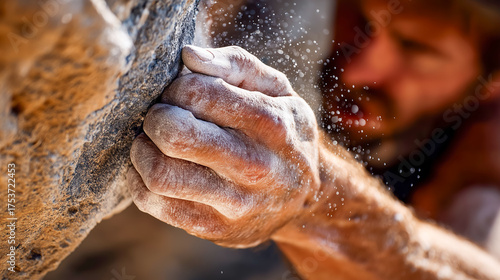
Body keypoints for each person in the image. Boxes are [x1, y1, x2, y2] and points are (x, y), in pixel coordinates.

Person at [126, 0, 500, 278]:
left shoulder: (486, 146)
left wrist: (313, 198)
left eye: (416, 48)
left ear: (492, 83)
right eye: (360, 17)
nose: (357, 69)